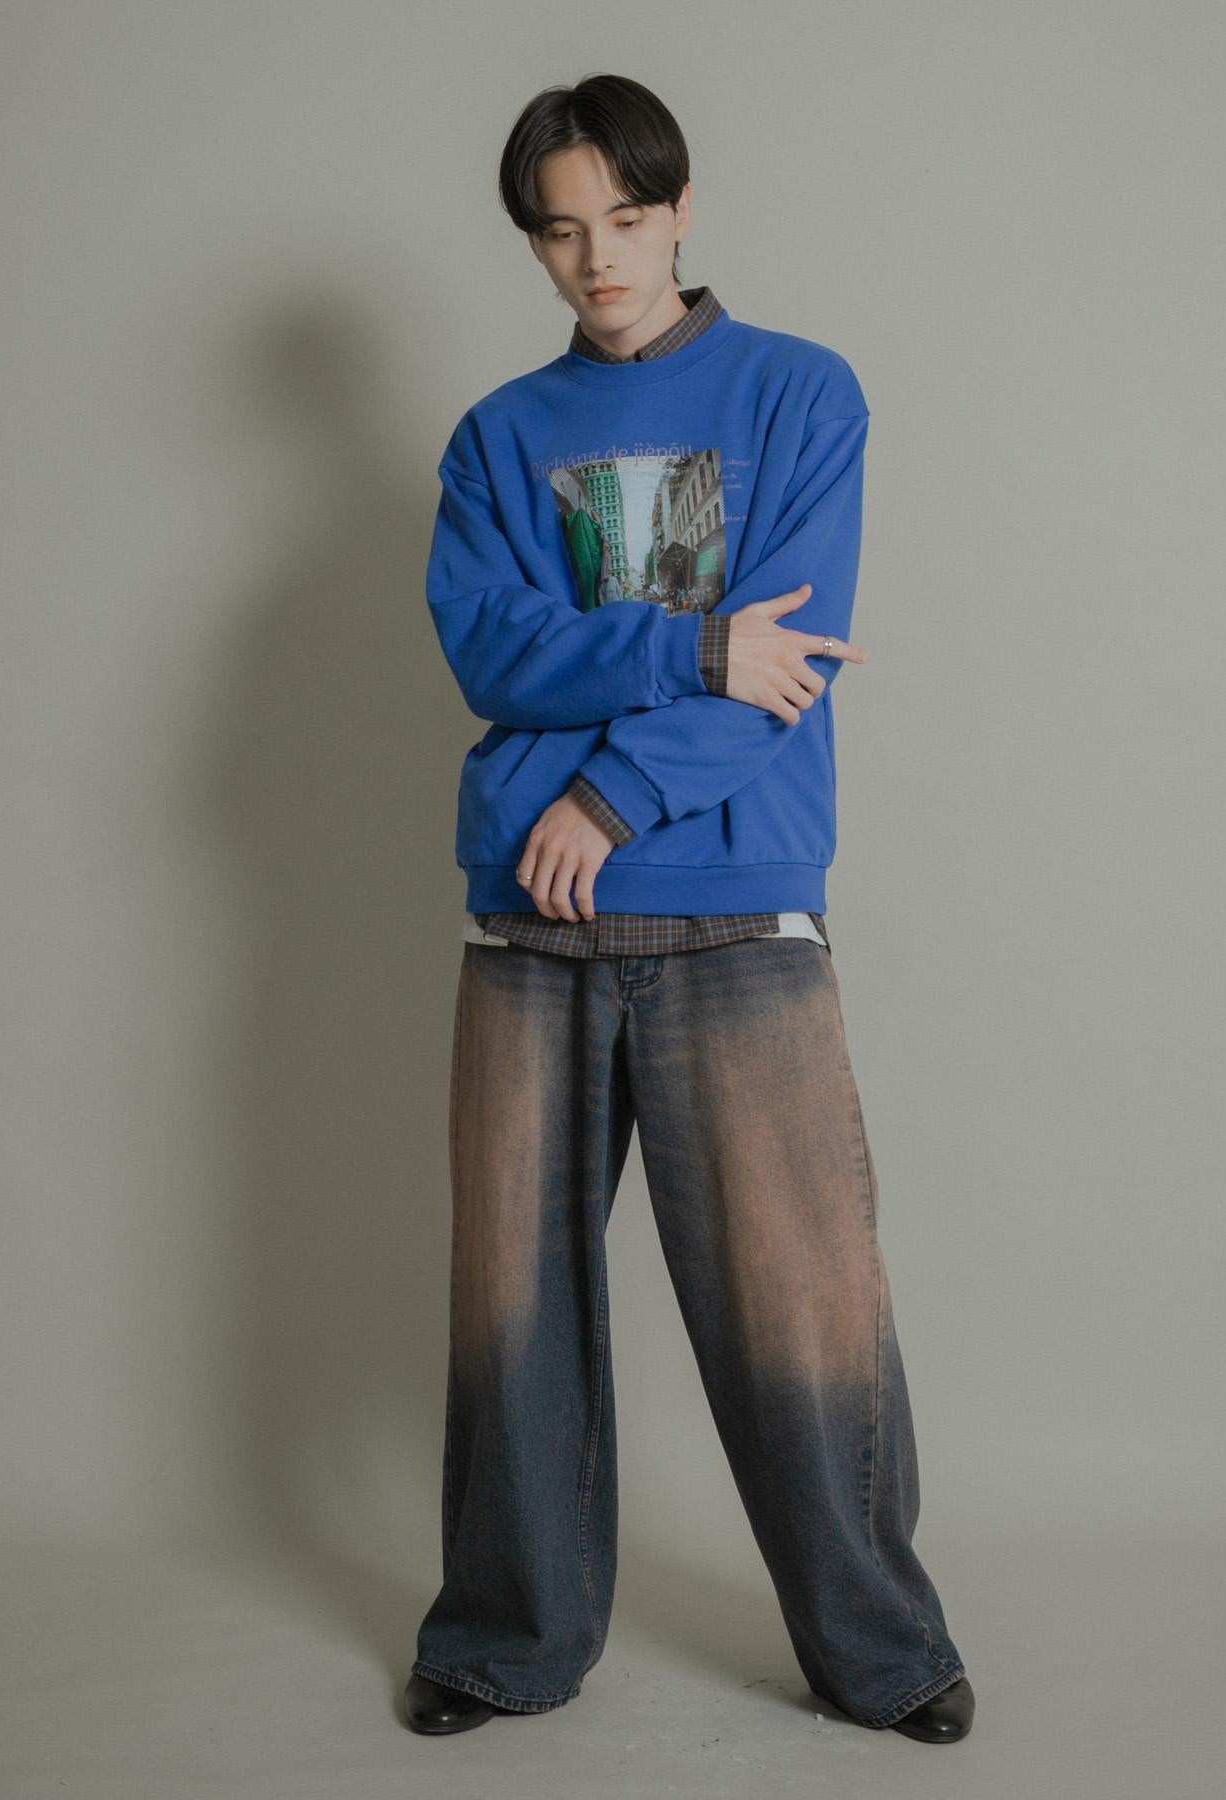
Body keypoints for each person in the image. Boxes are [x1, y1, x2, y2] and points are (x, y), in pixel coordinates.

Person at [405, 72, 974, 1746]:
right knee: (513, 1306)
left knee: (807, 1303)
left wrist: (606, 791)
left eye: (627, 218)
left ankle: (884, 1652)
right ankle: (501, 1642)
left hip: (732, 908)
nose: (598, 258)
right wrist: (692, 640)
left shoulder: (799, 395)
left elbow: (791, 664)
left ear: (680, 211)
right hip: (530, 929)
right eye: (560, 230)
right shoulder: (497, 435)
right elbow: (489, 651)